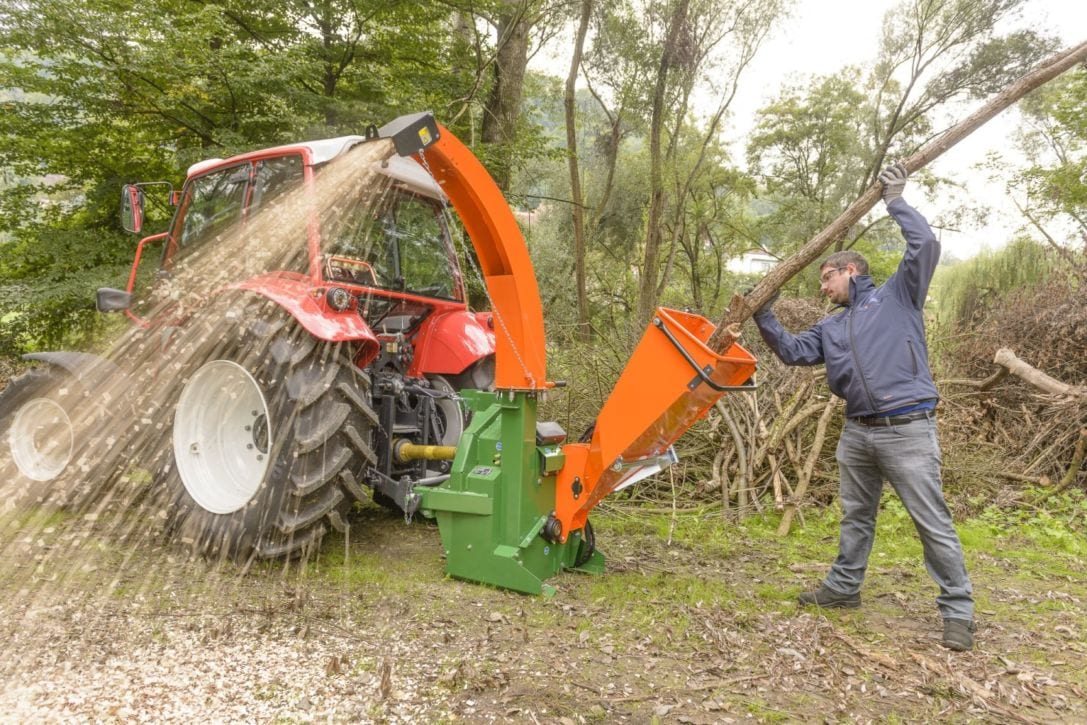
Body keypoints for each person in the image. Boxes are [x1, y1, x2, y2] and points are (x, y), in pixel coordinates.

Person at [752, 163, 975, 651]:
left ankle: (958, 610)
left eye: (825, 277)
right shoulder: (831, 327)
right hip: (858, 432)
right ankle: (843, 589)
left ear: (850, 270)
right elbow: (791, 351)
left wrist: (896, 201)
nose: (821, 287)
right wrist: (762, 312)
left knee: (930, 520)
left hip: (908, 429)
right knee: (856, 514)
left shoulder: (898, 295)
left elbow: (925, 247)